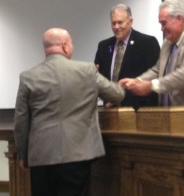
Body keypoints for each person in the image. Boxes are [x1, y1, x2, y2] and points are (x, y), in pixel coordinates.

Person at [14, 28, 125, 196]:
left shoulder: (28, 76)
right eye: (71, 44)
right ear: (65, 46)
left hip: (41, 155)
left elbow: (21, 120)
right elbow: (116, 95)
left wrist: (23, 154)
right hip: (78, 153)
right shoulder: (87, 70)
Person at [94, 4, 160, 110]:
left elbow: (155, 77)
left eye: (120, 22)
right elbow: (99, 79)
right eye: (113, 23)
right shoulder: (104, 46)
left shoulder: (148, 43)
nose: (116, 27)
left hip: (138, 111)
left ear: (130, 21)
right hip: (109, 111)